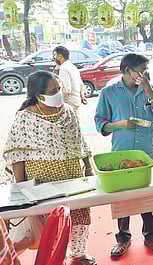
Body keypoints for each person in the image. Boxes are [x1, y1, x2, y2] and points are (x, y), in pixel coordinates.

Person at [2, 71, 96, 265]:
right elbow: (17, 155)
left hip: (73, 176)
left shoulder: (68, 111)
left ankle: (79, 255)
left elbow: (79, 141)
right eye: (54, 91)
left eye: (59, 89)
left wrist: (88, 168)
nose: (59, 94)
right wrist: (20, 189)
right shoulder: (24, 118)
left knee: (80, 215)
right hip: (43, 182)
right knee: (51, 224)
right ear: (39, 95)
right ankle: (56, 257)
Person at [94, 53, 153, 257]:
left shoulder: (149, 88)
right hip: (121, 153)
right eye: (141, 71)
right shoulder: (109, 92)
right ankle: (123, 238)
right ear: (127, 70)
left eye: (146, 70)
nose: (144, 74)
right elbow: (100, 123)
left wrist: (148, 90)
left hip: (145, 153)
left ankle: (151, 235)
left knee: (147, 197)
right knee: (123, 199)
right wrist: (119, 124)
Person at [53, 46, 87, 115]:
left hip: (69, 103)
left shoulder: (64, 69)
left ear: (60, 56)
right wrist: (82, 96)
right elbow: (81, 84)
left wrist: (62, 103)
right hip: (76, 100)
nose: (54, 57)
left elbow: (67, 90)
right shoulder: (72, 66)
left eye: (55, 55)